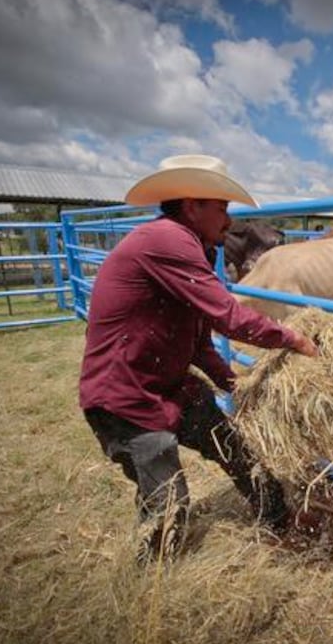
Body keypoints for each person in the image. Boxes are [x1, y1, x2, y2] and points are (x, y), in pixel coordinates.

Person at [79, 154, 318, 564]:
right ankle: (153, 580)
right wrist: (292, 338)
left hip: (169, 384)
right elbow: (226, 315)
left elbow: (197, 336)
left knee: (236, 451)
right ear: (192, 206)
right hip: (126, 397)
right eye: (221, 208)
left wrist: (232, 384)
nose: (228, 220)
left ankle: (280, 523)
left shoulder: (192, 248)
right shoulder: (166, 240)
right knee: (168, 502)